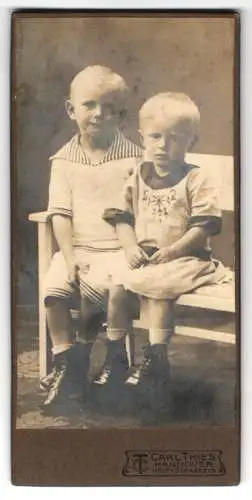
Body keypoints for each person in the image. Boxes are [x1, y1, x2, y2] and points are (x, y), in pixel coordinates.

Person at [94, 92, 226, 400]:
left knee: (160, 289)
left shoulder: (197, 178)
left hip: (187, 259)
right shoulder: (137, 175)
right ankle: (116, 357)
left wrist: (174, 251)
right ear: (142, 138)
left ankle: (156, 358)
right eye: (155, 137)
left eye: (174, 139)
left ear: (191, 142)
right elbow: (122, 217)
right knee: (117, 285)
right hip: (147, 256)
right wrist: (129, 248)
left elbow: (203, 226)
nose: (163, 146)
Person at [41, 65, 142, 410]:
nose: (99, 114)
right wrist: (69, 258)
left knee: (101, 289)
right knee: (53, 292)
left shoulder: (134, 158)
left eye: (109, 107)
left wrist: (131, 248)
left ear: (122, 114)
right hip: (78, 248)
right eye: (89, 105)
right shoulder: (63, 161)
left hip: (117, 250)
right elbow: (60, 214)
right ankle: (65, 361)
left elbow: (136, 213)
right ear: (71, 110)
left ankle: (91, 358)